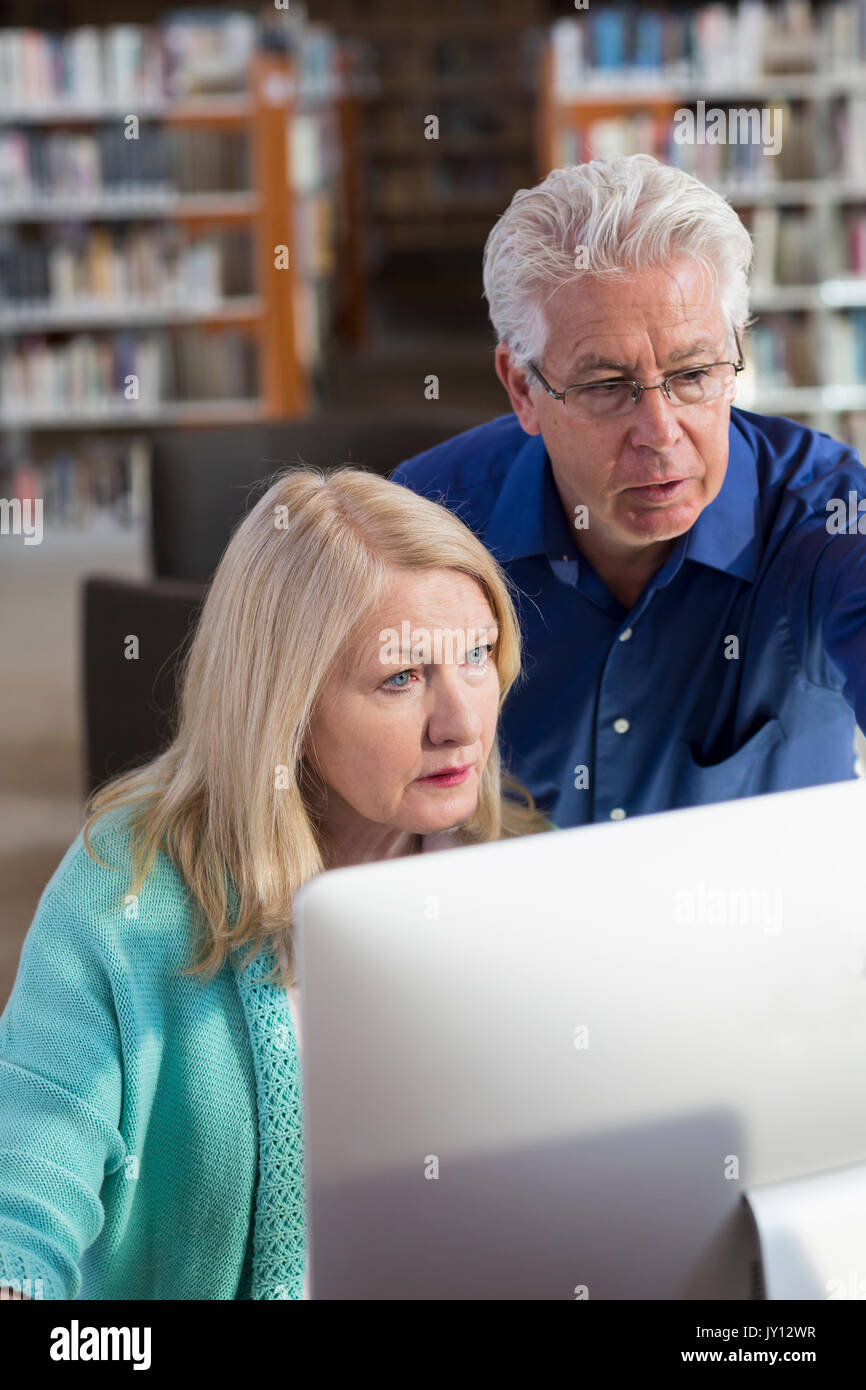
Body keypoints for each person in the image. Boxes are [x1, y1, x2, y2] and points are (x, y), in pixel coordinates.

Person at [0, 466, 552, 1301]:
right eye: (401, 678)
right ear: (284, 704)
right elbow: (27, 1184)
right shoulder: (129, 887)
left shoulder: (525, 869)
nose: (463, 722)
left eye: (476, 656)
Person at [392, 153, 866, 829]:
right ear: (523, 387)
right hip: (511, 927)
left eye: (695, 373)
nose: (660, 434)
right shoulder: (429, 517)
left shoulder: (825, 512)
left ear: (737, 355)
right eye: (607, 387)